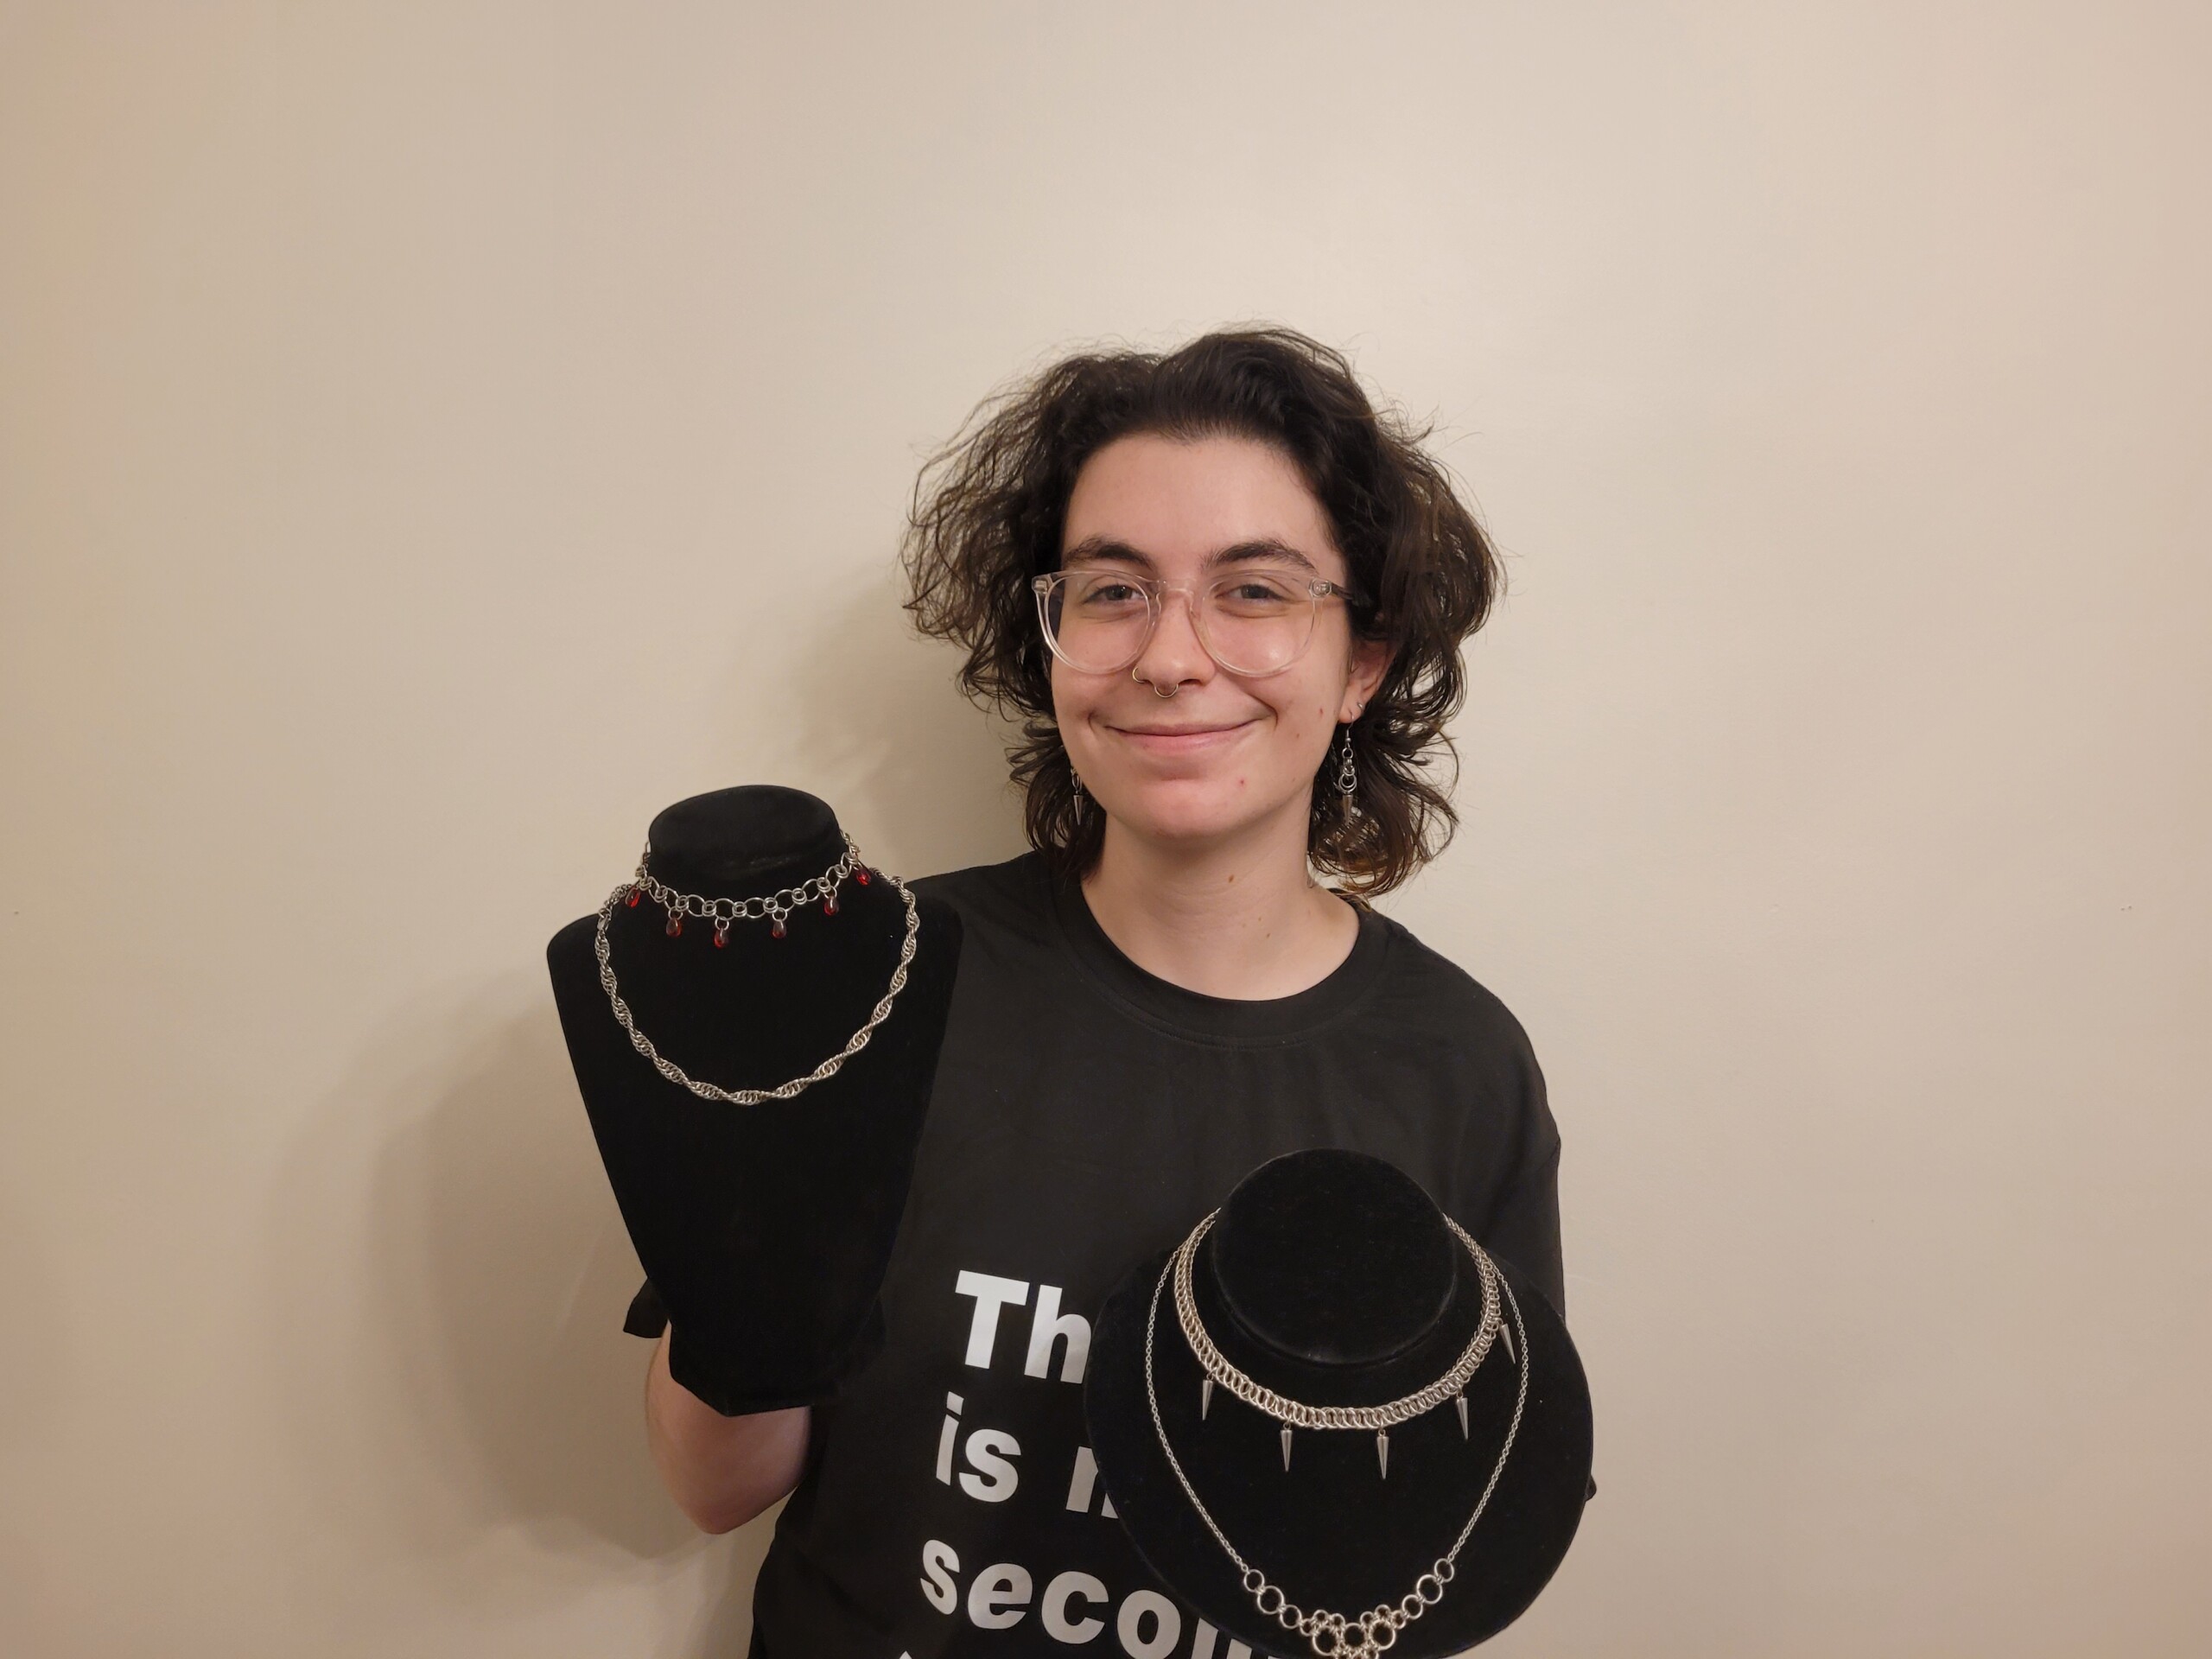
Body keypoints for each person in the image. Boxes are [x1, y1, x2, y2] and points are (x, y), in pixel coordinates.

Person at [640, 327, 1566, 1657]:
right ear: (1053, 638)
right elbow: (713, 1485)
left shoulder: (1461, 1069)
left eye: (1255, 590)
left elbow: (1441, 1556)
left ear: (1362, 660)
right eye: (1113, 589)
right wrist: (737, 1174)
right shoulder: (871, 986)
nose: (1172, 657)